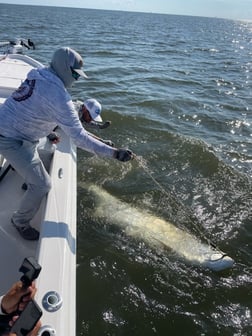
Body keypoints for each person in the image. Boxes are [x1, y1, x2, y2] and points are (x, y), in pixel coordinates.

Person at [0, 47, 134, 241]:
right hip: (10, 139)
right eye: (74, 74)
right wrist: (114, 153)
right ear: (63, 68)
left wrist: (49, 132)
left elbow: (34, 109)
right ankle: (19, 221)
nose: (76, 79)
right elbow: (79, 137)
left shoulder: (39, 74)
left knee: (37, 170)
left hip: (15, 131)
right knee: (42, 185)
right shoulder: (59, 96)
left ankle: (26, 178)